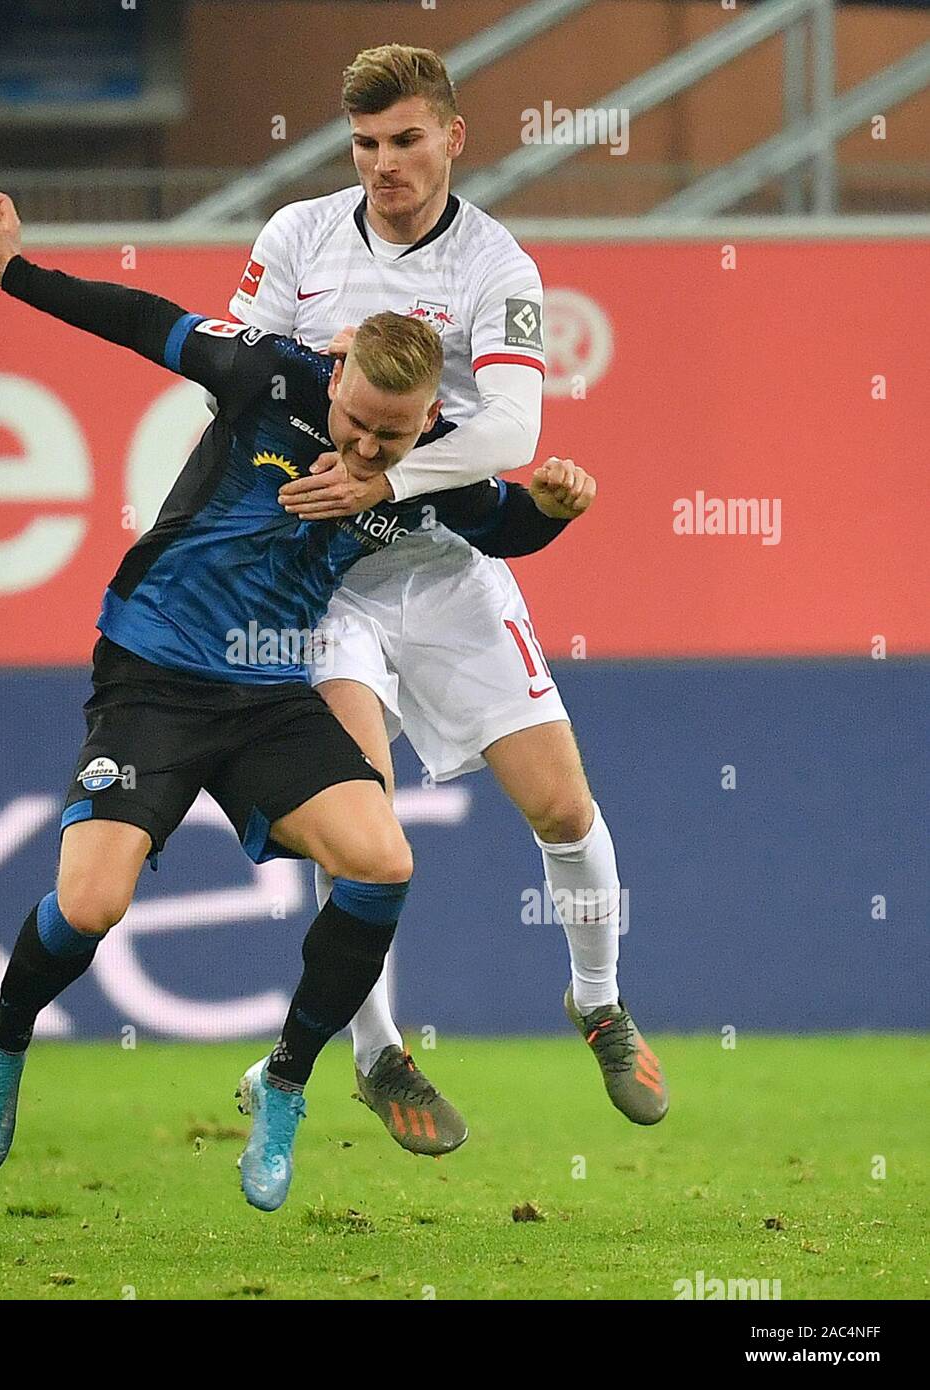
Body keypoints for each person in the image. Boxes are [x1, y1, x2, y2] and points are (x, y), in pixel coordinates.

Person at [0, 188, 595, 1211]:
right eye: (356, 424)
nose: (368, 448)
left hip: (266, 693)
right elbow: (137, 319)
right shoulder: (262, 371)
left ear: (429, 419)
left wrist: (556, 510)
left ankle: (289, 1082)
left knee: (382, 860)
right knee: (91, 902)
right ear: (333, 372)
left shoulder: (420, 470)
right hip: (154, 675)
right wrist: (17, 272)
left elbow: (507, 526)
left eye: (395, 435)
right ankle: (2, 1043)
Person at [228, 44, 668, 1152]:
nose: (384, 164)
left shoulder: (496, 265)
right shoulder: (297, 238)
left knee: (562, 805)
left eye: (406, 140)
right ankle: (378, 1055)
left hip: (443, 565)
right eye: (366, 144)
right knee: (358, 823)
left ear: (451, 137)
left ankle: (597, 1000)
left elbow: (514, 433)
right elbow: (241, 375)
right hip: (324, 581)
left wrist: (387, 473)